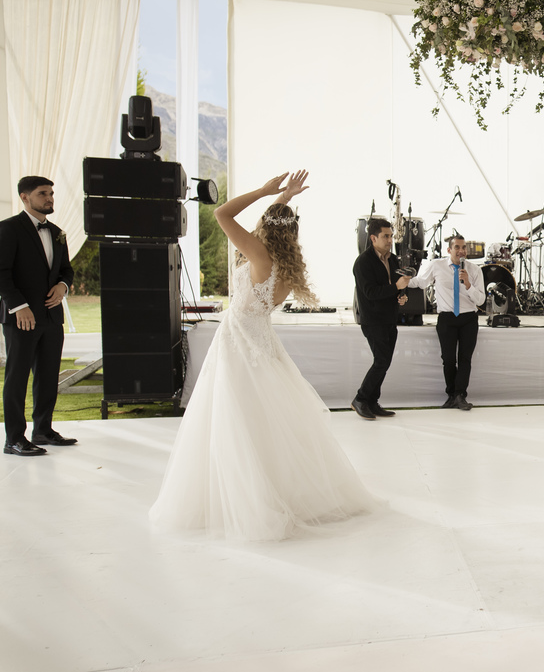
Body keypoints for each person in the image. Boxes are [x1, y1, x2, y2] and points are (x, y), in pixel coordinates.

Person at [149, 171, 382, 540]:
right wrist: (284, 198)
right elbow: (268, 225)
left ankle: (252, 500)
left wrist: (264, 192)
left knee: (236, 423)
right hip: (260, 346)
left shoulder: (258, 253)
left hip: (240, 346)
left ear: (267, 228)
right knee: (264, 424)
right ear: (292, 233)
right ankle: (279, 491)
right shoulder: (283, 266)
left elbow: (221, 214)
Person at [0, 176, 76, 456]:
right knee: (17, 378)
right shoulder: (8, 229)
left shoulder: (57, 232)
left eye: (51, 193)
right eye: (43, 193)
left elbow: (66, 269)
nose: (49, 198)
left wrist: (63, 286)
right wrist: (19, 306)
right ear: (25, 197)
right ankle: (13, 438)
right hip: (21, 317)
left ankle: (43, 429)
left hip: (52, 317)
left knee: (48, 375)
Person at [408, 234, 486, 410]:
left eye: (463, 247)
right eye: (457, 247)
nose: (461, 251)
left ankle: (460, 395)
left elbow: (480, 300)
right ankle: (452, 395)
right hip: (447, 318)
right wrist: (402, 281)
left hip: (468, 319)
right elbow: (421, 282)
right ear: (449, 250)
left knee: (465, 359)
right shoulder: (437, 265)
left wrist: (467, 284)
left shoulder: (474, 270)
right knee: (448, 359)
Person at [351, 217, 411, 420]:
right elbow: (370, 293)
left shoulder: (393, 260)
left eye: (391, 235)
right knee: (381, 361)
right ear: (373, 237)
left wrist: (401, 296)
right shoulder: (363, 262)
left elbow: (396, 287)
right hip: (372, 319)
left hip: (389, 317)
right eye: (386, 236)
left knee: (384, 362)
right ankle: (360, 399)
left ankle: (372, 401)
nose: (390, 239)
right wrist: (397, 287)